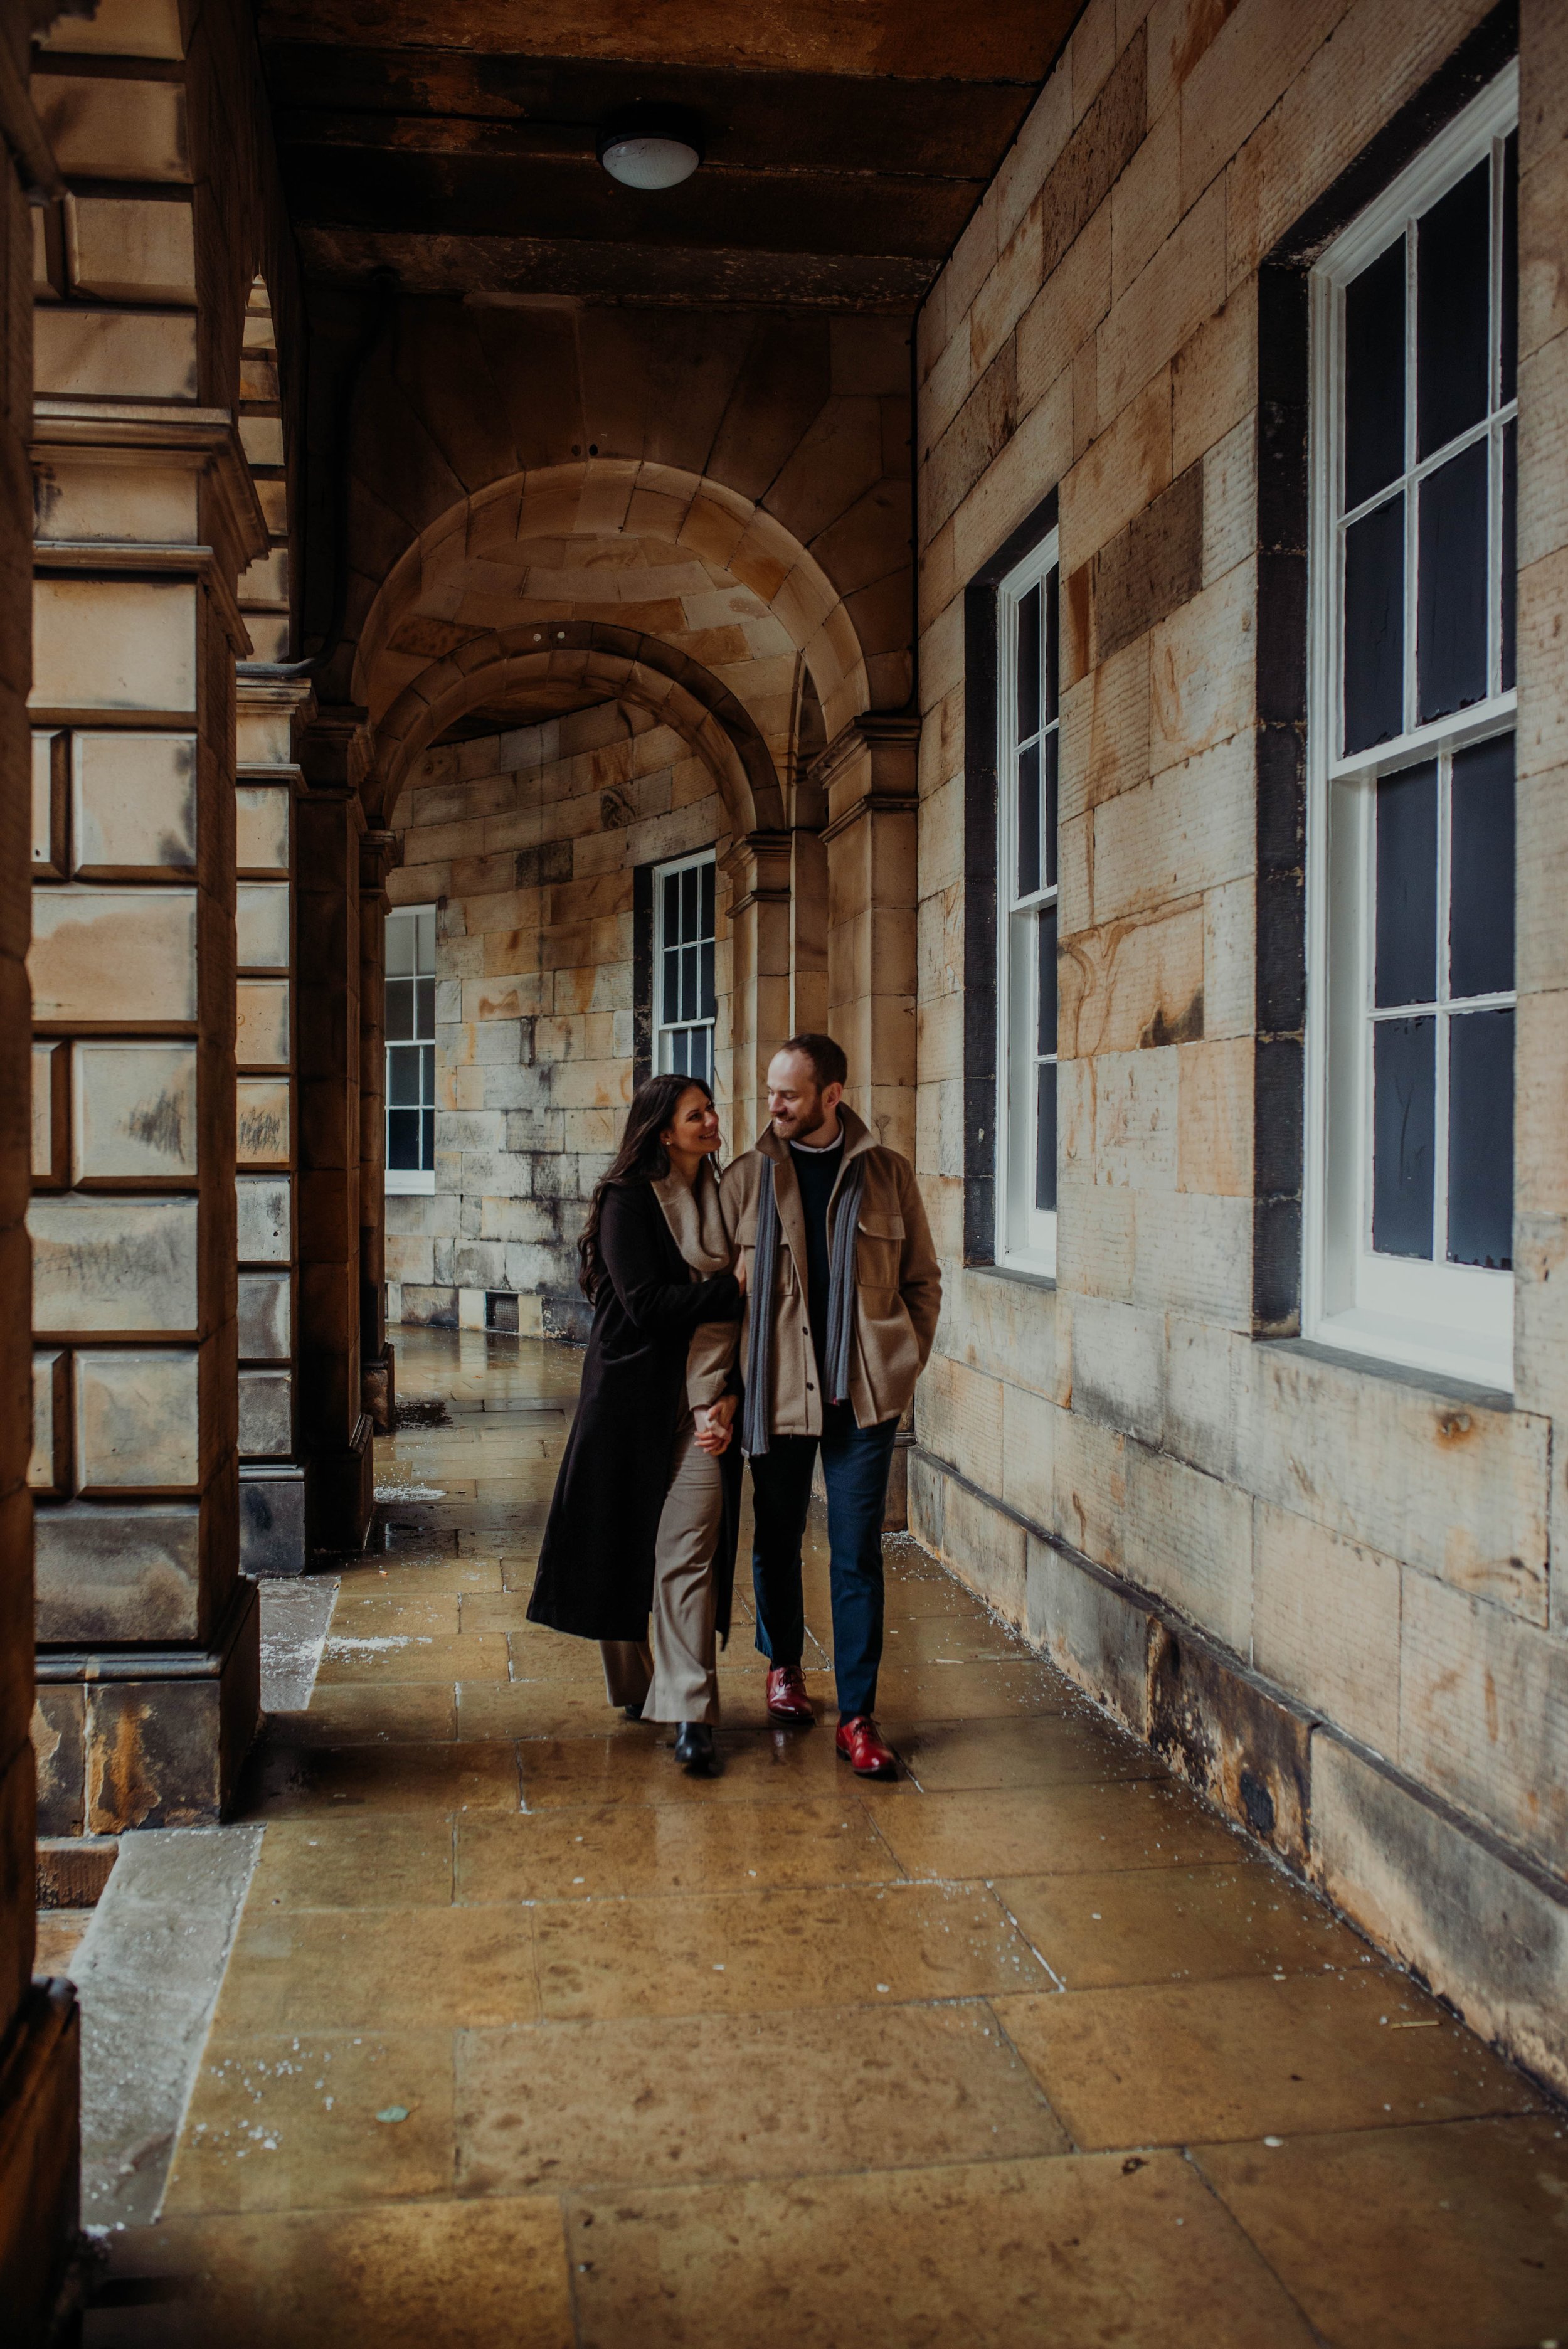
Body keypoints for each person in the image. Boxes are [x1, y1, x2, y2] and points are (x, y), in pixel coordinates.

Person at [720, 1033, 941, 1778]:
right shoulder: (746, 1178)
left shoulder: (888, 1176)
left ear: (831, 1096)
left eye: (788, 1093)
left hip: (861, 1398)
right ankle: (783, 1663)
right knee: (776, 1536)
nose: (773, 1105)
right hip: (776, 1392)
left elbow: (922, 1283)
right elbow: (717, 1297)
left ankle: (857, 1717)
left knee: (856, 1553)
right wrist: (722, 1387)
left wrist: (900, 1364)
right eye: (771, 1091)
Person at [526, 1072, 744, 1776]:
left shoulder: (728, 1197)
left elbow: (751, 1321)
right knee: (614, 1546)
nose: (711, 1121)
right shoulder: (628, 1200)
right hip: (626, 1400)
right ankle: (635, 1682)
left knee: (687, 1554)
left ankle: (688, 1710)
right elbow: (647, 1305)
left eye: (710, 1110)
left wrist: (731, 1388)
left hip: (702, 1400)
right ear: (662, 1132)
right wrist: (727, 1291)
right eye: (696, 1114)